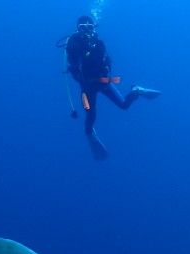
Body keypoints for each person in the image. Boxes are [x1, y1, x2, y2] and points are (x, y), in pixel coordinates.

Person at [64, 15, 161, 160]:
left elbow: (106, 63)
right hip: (87, 89)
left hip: (102, 83)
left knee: (123, 105)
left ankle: (136, 91)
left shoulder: (98, 43)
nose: (86, 31)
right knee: (90, 114)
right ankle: (90, 135)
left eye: (89, 27)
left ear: (94, 28)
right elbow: (72, 66)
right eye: (83, 28)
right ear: (78, 29)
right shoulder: (72, 44)